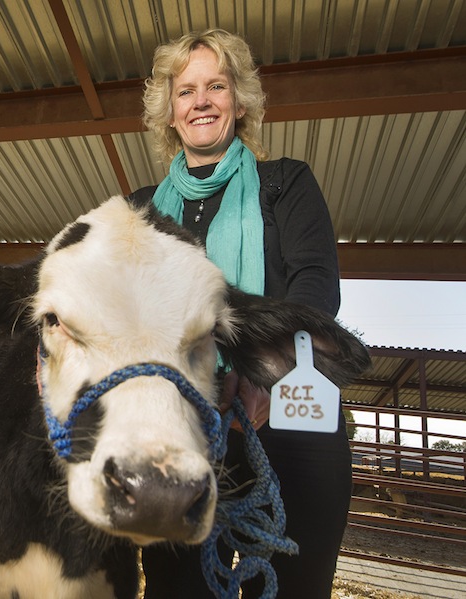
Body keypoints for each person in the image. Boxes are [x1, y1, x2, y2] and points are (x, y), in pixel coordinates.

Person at [129, 29, 348, 598]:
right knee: (179, 588)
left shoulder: (286, 184)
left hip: (281, 422)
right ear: (170, 114)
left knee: (288, 585)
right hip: (177, 430)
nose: (201, 100)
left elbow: (316, 285)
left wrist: (263, 376)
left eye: (216, 86)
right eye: (186, 91)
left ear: (240, 101)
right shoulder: (140, 209)